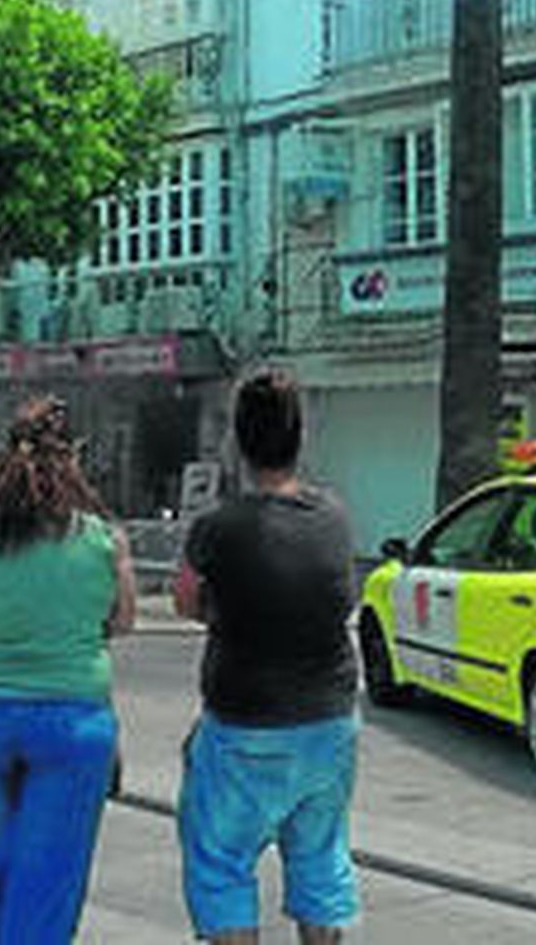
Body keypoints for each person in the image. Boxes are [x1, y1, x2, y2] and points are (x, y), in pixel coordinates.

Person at [173, 369, 360, 945]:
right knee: (321, 859)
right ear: (300, 438)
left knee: (222, 863)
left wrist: (227, 610)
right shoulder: (334, 516)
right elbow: (338, 594)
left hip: (245, 728)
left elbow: (185, 601)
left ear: (237, 441)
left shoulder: (217, 528)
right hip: (330, 724)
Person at [0, 395, 137, 944]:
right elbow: (124, 620)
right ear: (72, 463)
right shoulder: (102, 540)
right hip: (71, 720)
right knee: (48, 881)